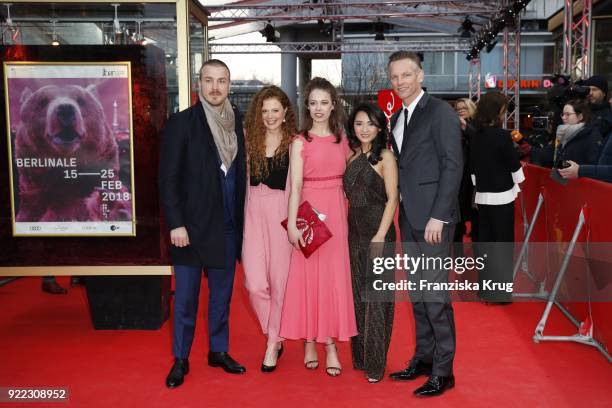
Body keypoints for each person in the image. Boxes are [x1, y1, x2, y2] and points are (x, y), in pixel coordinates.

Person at [159, 59, 247, 389]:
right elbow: (167, 180)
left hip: (227, 228)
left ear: (229, 84)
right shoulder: (181, 123)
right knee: (185, 301)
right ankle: (181, 359)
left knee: (221, 298)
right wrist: (176, 224)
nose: (215, 87)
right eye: (209, 80)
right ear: (199, 83)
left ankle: (218, 351)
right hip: (190, 231)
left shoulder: (238, 122)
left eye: (221, 81)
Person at [387, 51, 463, 397]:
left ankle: (444, 371)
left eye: (406, 75)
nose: (400, 82)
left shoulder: (440, 112)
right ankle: (425, 357)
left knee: (435, 296)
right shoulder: (398, 117)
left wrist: (440, 215)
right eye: (394, 77)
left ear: (420, 75)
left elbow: (452, 165)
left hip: (434, 219)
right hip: (410, 216)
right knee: (418, 294)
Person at [280, 77, 357, 377]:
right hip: (308, 213)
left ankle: (330, 345)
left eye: (324, 102)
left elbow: (354, 176)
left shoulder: (342, 140)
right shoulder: (300, 142)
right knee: (308, 278)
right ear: (307, 106)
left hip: (337, 213)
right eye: (313, 103)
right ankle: (310, 341)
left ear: (333, 104)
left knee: (333, 278)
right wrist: (292, 226)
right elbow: (295, 185)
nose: (318, 109)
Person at [242, 86, 296, 372]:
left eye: (275, 110)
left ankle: (273, 341)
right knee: (254, 284)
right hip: (253, 212)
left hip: (281, 214)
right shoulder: (250, 139)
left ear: (286, 112)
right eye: (264, 111)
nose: (270, 116)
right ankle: (274, 331)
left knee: (280, 283)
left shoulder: (296, 142)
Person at [344, 103, 398, 383]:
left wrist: (380, 235)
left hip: (380, 234)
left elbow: (393, 199)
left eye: (370, 124)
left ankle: (376, 364)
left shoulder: (385, 157)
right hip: (353, 235)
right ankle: (361, 356)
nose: (364, 129)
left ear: (379, 128)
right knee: (358, 298)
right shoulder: (352, 157)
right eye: (359, 123)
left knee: (377, 301)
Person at [470, 92, 525, 304]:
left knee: (485, 244)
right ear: (499, 110)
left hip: (483, 196)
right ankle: (500, 294)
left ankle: (486, 290)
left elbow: (473, 169)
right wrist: (519, 179)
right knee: (502, 245)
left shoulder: (476, 135)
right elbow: (514, 166)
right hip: (502, 196)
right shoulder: (502, 136)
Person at [454, 98, 478, 249]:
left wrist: (466, 127)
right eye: (458, 109)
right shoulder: (452, 127)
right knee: (457, 214)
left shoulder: (477, 125)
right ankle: (458, 253)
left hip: (474, 177)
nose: (461, 110)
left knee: (475, 214)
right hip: (458, 176)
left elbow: (479, 140)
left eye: (464, 107)